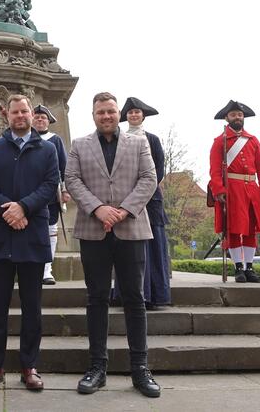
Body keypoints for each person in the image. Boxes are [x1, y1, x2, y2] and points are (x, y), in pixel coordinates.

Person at [65, 92, 161, 398]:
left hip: (131, 228)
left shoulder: (139, 142)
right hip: (93, 230)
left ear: (117, 113)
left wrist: (121, 210)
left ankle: (140, 369)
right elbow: (72, 179)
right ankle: (97, 368)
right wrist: (98, 209)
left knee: (134, 299)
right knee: (96, 299)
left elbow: (149, 177)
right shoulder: (80, 145)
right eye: (100, 112)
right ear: (93, 115)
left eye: (110, 111)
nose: (105, 116)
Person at [0, 95, 59, 392]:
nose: (20, 115)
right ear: (5, 114)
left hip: (32, 234)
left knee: (32, 308)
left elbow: (50, 185)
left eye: (25, 111)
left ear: (31, 113)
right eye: (15, 111)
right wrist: (7, 210)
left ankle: (29, 366)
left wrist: (23, 207)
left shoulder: (47, 149)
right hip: (0, 235)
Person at [113, 97, 171, 308]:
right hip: (125, 199)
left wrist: (143, 190)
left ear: (142, 116)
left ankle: (154, 295)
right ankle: (126, 294)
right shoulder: (119, 138)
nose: (134, 115)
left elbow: (159, 170)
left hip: (150, 199)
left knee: (153, 248)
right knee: (126, 247)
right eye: (130, 113)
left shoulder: (152, 139)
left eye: (137, 112)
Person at [209, 100, 260, 283]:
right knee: (234, 229)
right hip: (232, 189)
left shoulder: (253, 141)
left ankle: (250, 268)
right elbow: (214, 170)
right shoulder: (219, 142)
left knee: (250, 230)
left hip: (252, 189)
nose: (237, 117)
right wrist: (219, 190)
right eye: (233, 115)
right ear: (227, 118)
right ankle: (238, 268)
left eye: (239, 115)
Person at [32, 104, 70, 285]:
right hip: (28, 193)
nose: (40, 119)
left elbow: (64, 167)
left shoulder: (55, 140)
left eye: (43, 117)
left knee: (50, 230)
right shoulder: (25, 139)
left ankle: (47, 269)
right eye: (37, 117)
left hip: (50, 195)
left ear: (49, 121)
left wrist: (65, 190)